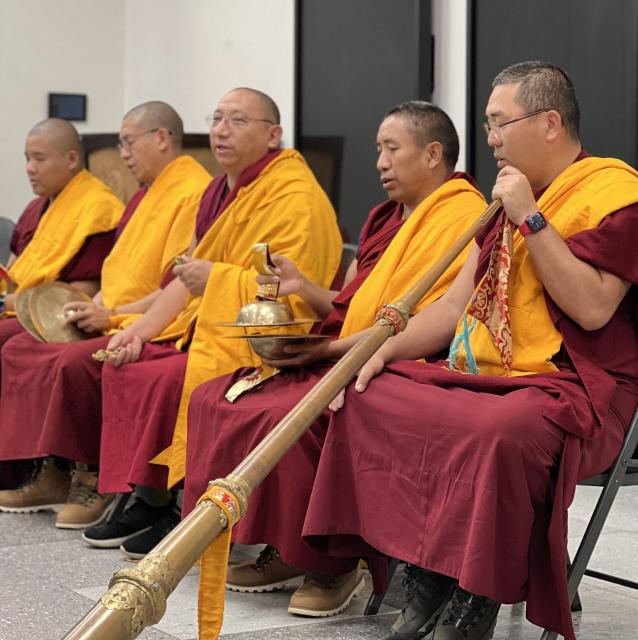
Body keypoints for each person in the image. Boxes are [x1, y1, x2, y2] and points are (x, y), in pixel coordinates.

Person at [295, 62, 638, 640]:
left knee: (498, 430)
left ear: (550, 122)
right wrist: (380, 352)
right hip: (496, 374)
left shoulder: (615, 194)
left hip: (577, 383)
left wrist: (530, 216)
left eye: (500, 123)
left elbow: (593, 309)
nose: (490, 139)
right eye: (487, 124)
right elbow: (454, 309)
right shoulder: (504, 198)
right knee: (371, 395)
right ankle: (427, 570)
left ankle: (479, 589)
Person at [181, 101, 487, 622]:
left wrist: (327, 351)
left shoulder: (461, 216)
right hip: (349, 345)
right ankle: (285, 547)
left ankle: (336, 562)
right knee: (222, 395)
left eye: (391, 149)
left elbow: (429, 321)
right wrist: (305, 291)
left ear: (434, 154)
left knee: (296, 412)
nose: (380, 163)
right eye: (377, 151)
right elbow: (350, 305)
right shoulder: (384, 217)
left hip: (404, 359)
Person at [53, 87, 341, 557]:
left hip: (259, 338)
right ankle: (149, 497)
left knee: (165, 377)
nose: (221, 130)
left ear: (274, 134)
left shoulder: (294, 195)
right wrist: (134, 329)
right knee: (130, 361)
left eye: (237, 121)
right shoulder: (217, 191)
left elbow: (287, 296)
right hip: (205, 323)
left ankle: (180, 505)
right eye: (217, 118)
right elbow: (186, 282)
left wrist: (218, 279)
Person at [0, 101, 211, 529]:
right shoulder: (143, 194)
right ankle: (49, 469)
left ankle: (90, 477)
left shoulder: (194, 191)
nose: (123, 153)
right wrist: (99, 309)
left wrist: (111, 315)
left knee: (73, 360)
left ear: (162, 139)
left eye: (128, 142)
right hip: (113, 311)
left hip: (151, 319)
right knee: (23, 346)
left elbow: (175, 284)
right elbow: (117, 270)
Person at [0, 118, 123, 490]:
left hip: (60, 312)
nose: (29, 168)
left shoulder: (98, 207)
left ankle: (25, 467)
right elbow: (19, 267)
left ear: (72, 158)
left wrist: (19, 300)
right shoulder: (38, 209)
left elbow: (88, 284)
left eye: (38, 158)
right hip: (20, 303)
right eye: (26, 158)